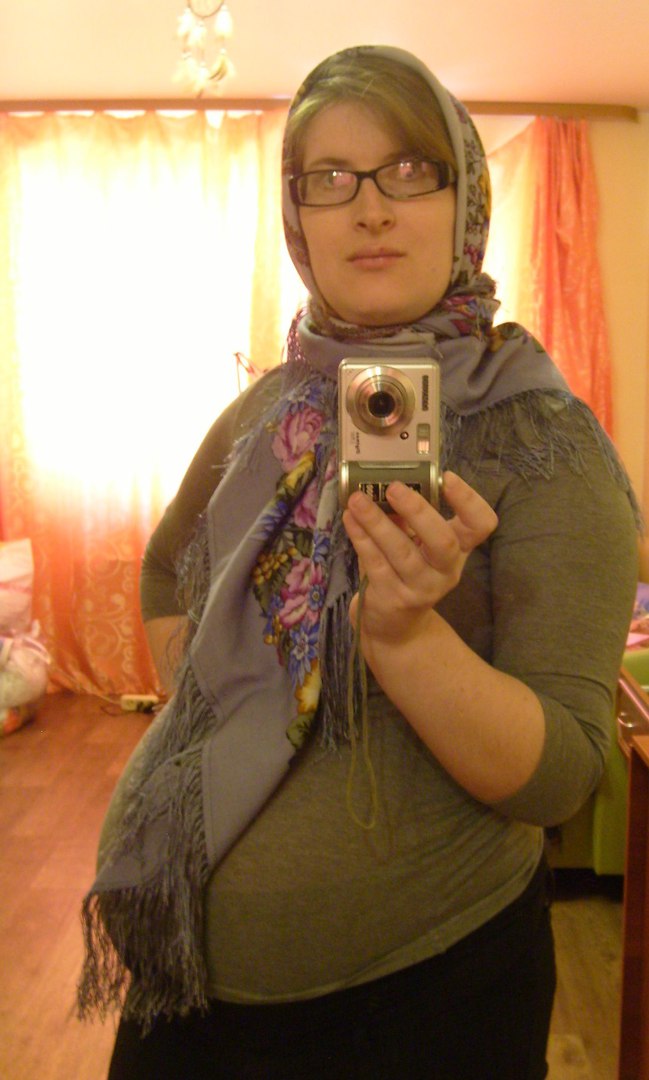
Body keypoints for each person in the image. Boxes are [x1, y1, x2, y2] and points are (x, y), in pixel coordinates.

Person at [78, 45, 640, 1079]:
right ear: (297, 217)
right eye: (329, 178)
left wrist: (404, 635)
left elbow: (562, 774)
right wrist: (215, 709)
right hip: (185, 993)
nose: (369, 209)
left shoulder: (545, 443)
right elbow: (165, 570)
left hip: (423, 1000)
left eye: (409, 170)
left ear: (465, 198)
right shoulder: (267, 409)